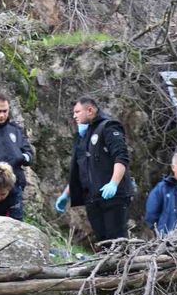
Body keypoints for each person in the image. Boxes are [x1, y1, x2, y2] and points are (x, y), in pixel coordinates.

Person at [55, 97, 134, 243]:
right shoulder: (83, 136)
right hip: (92, 198)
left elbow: (121, 157)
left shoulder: (108, 127)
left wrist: (114, 183)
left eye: (77, 112)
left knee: (117, 242)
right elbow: (78, 170)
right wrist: (66, 194)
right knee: (102, 243)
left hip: (113, 197)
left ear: (90, 110)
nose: (74, 116)